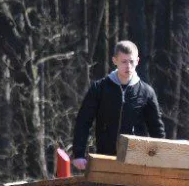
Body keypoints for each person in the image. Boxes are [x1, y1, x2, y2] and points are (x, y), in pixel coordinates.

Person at [70, 41, 166, 170]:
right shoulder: (99, 88)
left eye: (131, 61)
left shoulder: (146, 92)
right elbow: (83, 122)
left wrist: (162, 159)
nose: (128, 66)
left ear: (137, 61)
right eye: (124, 62)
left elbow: (157, 129)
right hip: (105, 158)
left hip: (136, 162)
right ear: (114, 61)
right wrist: (79, 154)